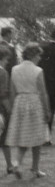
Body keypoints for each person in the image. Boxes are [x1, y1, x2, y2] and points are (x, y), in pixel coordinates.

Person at [6, 42, 50, 178]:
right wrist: (47, 110)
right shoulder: (38, 70)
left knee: (23, 137)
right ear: (33, 55)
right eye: (38, 55)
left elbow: (12, 92)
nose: (40, 58)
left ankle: (16, 164)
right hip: (34, 102)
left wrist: (14, 108)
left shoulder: (14, 69)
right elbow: (43, 93)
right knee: (37, 136)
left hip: (20, 102)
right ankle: (35, 168)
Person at [0, 44, 13, 174]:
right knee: (4, 137)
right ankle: (9, 165)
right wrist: (10, 110)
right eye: (7, 59)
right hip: (0, 109)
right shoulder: (3, 72)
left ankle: (9, 165)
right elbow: (3, 94)